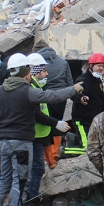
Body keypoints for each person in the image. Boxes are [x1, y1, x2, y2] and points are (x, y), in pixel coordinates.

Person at [0, 53, 83, 206]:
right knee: (20, 181)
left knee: (5, 179)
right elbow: (54, 96)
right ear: (24, 72)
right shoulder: (28, 92)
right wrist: (73, 89)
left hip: (3, 143)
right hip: (21, 144)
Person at [24, 53, 70, 206]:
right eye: (44, 71)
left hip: (39, 135)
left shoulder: (36, 86)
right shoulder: (33, 89)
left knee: (36, 170)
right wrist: (54, 123)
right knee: (35, 171)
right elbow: (37, 114)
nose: (47, 74)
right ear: (35, 71)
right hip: (35, 136)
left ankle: (30, 205)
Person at [34, 38, 74, 169]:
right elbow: (69, 82)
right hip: (61, 97)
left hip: (44, 97)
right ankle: (56, 152)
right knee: (58, 122)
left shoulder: (37, 64)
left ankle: (50, 157)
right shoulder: (63, 62)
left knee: (47, 124)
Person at [70, 53, 104, 155]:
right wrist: (81, 98)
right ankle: (67, 151)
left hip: (94, 120)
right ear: (90, 66)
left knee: (97, 147)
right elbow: (74, 93)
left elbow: (101, 99)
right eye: (99, 66)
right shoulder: (83, 80)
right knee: (87, 147)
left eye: (102, 66)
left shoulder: (97, 80)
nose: (101, 68)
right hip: (82, 121)